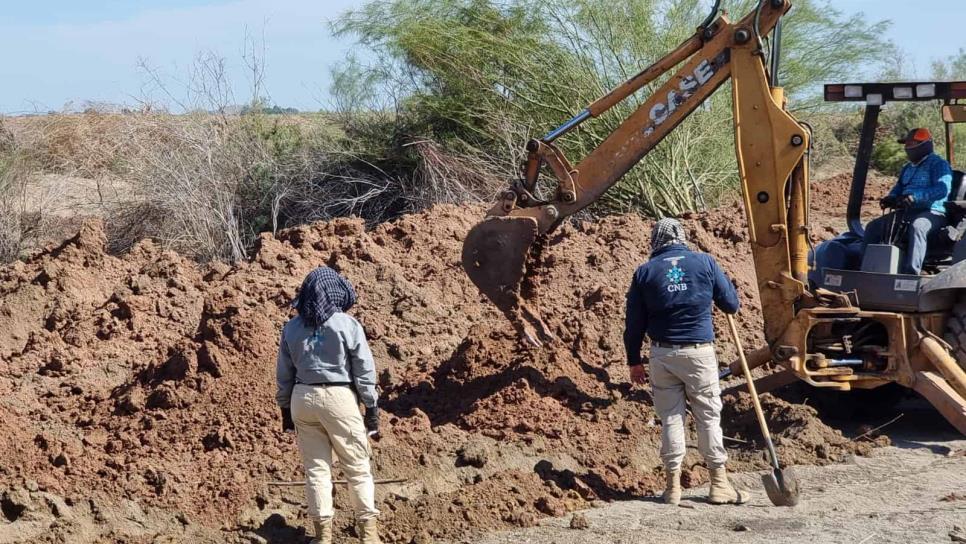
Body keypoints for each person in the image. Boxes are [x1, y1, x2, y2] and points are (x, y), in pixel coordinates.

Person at [623, 218, 747, 506]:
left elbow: (633, 324)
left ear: (655, 240)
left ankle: (673, 488)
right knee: (708, 416)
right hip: (699, 353)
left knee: (671, 418)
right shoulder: (705, 263)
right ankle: (719, 484)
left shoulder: (644, 272)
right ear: (682, 237)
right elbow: (731, 304)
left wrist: (634, 361)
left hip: (662, 355)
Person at [276, 267, 382, 544]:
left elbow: (284, 374)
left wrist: (285, 410)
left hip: (302, 398)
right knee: (357, 467)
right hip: (339, 398)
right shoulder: (347, 324)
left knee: (316, 470)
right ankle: (369, 537)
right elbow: (363, 369)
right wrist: (371, 408)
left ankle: (323, 537)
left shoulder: (291, 327)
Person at [863, 128, 953, 275]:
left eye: (912, 144)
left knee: (918, 227)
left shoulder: (938, 164)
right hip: (907, 211)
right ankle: (867, 270)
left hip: (933, 212)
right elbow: (899, 187)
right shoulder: (907, 168)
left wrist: (916, 196)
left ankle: (911, 274)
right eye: (906, 144)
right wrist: (891, 197)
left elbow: (942, 190)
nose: (907, 148)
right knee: (873, 227)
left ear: (925, 145)